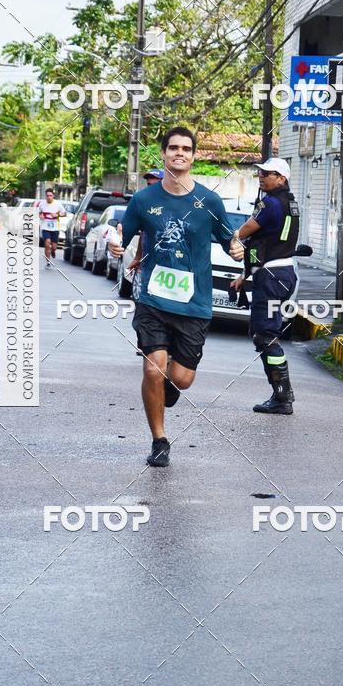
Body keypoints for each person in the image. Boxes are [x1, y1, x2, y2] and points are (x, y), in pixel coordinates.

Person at [109, 126, 243, 468]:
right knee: (154, 369)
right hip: (153, 301)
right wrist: (116, 246)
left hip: (194, 304)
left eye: (185, 148)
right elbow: (124, 239)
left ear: (194, 156)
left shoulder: (209, 201)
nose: (179, 153)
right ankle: (159, 440)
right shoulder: (144, 200)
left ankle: (168, 389)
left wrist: (238, 249)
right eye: (173, 148)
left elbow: (230, 238)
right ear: (164, 153)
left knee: (180, 379)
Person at [230, 157, 299, 415]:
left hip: (272, 277)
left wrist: (233, 237)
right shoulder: (289, 202)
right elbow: (267, 243)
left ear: (281, 178)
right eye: (260, 172)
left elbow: (246, 232)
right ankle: (281, 395)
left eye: (268, 173)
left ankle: (282, 397)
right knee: (263, 334)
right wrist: (245, 275)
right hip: (280, 273)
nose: (261, 176)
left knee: (265, 335)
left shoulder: (269, 203)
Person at [38, 188, 66, 267]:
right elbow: (38, 213)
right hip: (45, 227)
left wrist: (57, 215)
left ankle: (53, 251)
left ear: (53, 196)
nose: (49, 197)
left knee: (54, 247)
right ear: (45, 196)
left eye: (50, 195)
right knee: (47, 243)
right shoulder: (42, 204)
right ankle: (48, 261)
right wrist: (40, 215)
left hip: (55, 228)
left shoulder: (58, 204)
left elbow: (65, 213)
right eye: (47, 196)